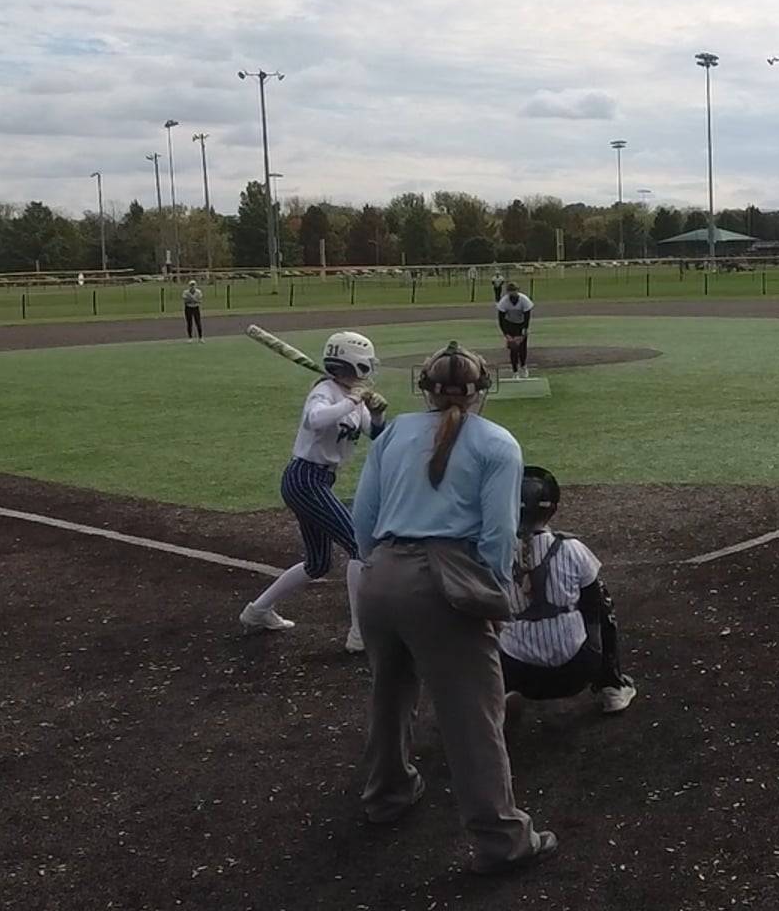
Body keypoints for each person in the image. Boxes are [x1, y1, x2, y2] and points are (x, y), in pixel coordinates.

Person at [351, 342, 557, 874]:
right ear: (481, 390)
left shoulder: (393, 433)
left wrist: (381, 568)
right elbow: (498, 535)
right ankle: (502, 840)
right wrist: (489, 595)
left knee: (389, 693)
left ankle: (387, 796)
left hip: (380, 577)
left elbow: (363, 521)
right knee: (472, 716)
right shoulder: (497, 442)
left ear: (424, 389)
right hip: (445, 582)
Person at [239, 331, 388, 652]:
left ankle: (257, 611)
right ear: (355, 364)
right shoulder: (325, 391)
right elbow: (314, 420)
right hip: (304, 479)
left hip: (317, 481)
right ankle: (359, 633)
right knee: (358, 545)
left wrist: (377, 413)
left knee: (318, 563)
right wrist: (351, 400)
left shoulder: (350, 395)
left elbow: (376, 434)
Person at [501, 465, 636, 716]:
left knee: (478, 612)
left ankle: (494, 697)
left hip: (516, 674)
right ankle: (612, 686)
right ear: (553, 508)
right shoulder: (571, 549)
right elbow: (593, 604)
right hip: (576, 671)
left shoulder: (493, 552)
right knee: (601, 601)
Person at [495, 281, 535, 379]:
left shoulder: (524, 300)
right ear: (507, 292)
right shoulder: (504, 302)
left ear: (518, 291)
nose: (512, 293)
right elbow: (501, 319)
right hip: (510, 325)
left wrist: (524, 330)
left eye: (514, 290)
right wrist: (506, 334)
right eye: (510, 291)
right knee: (513, 348)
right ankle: (515, 371)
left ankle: (523, 366)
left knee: (522, 348)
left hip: (521, 324)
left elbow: (527, 316)